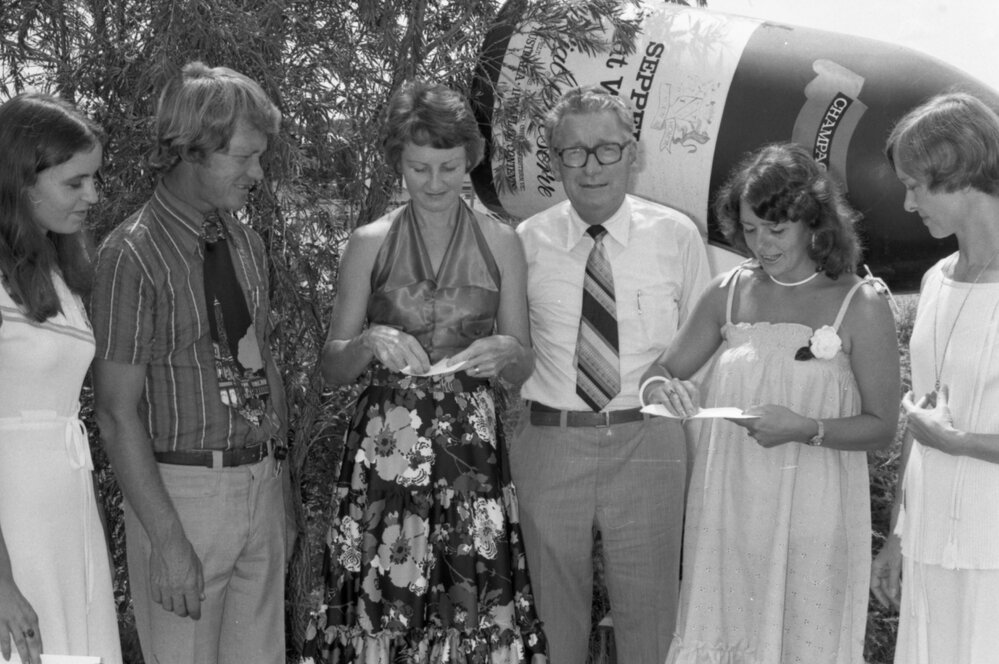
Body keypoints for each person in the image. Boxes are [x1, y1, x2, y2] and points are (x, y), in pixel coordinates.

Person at [300, 80, 546, 663]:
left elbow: (525, 363)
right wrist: (367, 340)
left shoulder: (502, 242)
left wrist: (506, 351)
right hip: (386, 451)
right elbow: (331, 369)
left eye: (449, 167)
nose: (435, 184)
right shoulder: (369, 243)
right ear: (398, 163)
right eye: (419, 168)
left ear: (470, 162)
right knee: (382, 603)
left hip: (471, 454)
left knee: (474, 600)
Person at [642, 142, 899, 663]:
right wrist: (658, 390)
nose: (761, 244)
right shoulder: (728, 292)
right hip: (727, 507)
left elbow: (882, 427)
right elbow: (661, 371)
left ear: (812, 221)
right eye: (750, 229)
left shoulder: (860, 303)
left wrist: (806, 427)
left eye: (776, 229)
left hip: (813, 511)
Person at [91, 62, 290, 664]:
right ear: (192, 151)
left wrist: (280, 487)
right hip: (182, 498)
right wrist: (169, 542)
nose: (257, 173)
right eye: (244, 157)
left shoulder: (244, 243)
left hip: (260, 485)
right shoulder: (131, 255)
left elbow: (263, 363)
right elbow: (115, 414)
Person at [511, 85, 710, 664]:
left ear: (633, 152)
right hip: (550, 443)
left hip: (649, 442)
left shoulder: (676, 236)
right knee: (550, 623)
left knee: (650, 623)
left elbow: (704, 347)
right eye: (574, 152)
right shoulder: (525, 243)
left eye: (607, 149)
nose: (591, 166)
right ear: (554, 160)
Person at [870, 92, 999, 663]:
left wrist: (960, 442)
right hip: (928, 547)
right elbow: (919, 417)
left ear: (959, 170)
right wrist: (898, 534)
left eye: (915, 184)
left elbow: (942, 432)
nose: (906, 202)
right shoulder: (934, 279)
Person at [0, 92, 121, 664]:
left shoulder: (61, 270)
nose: (92, 196)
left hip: (66, 506)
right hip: (13, 518)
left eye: (94, 179)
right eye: (75, 183)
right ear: (22, 181)